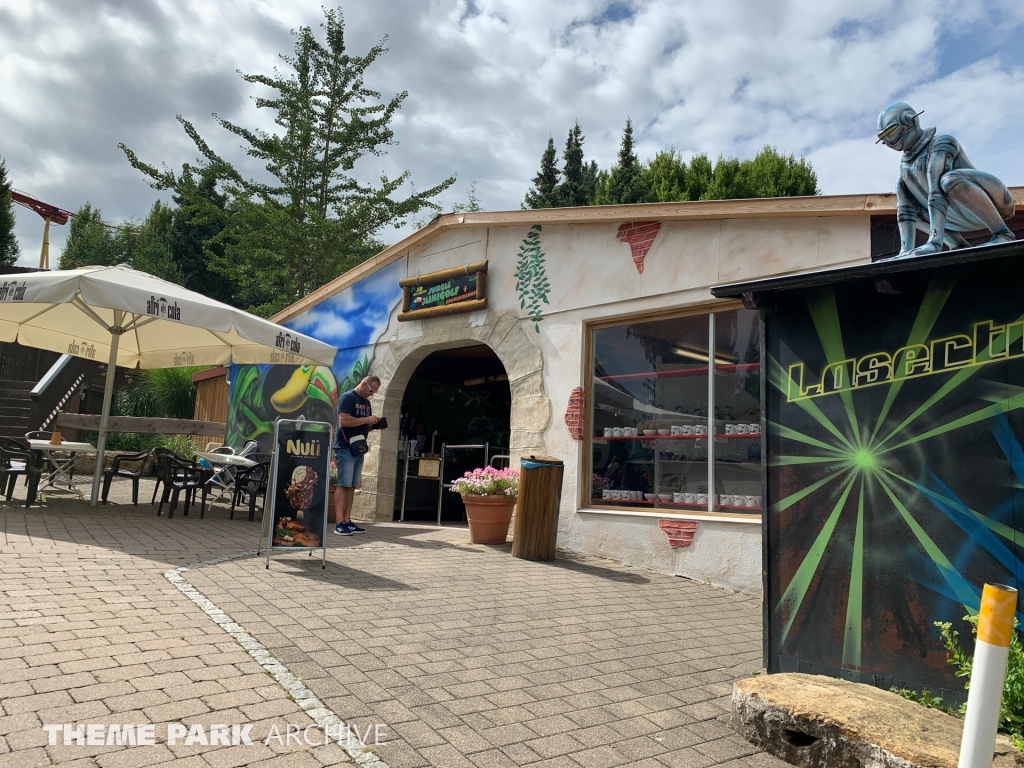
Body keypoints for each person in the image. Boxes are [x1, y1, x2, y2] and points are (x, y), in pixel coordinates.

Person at [876, 102, 1015, 258]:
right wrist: (905, 252)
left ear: (911, 120)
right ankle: (957, 244)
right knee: (907, 200)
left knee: (949, 180)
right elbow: (905, 210)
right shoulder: (905, 168)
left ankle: (1002, 233)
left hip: (996, 202)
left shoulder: (942, 143)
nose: (888, 140)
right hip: (959, 214)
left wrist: (935, 242)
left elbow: (936, 192)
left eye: (891, 131)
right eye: (883, 137)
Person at [333, 375, 380, 535]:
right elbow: (344, 421)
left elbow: (363, 426)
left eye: (374, 393)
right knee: (343, 484)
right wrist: (367, 418)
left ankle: (347, 520)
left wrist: (374, 425)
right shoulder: (347, 397)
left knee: (352, 486)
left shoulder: (366, 403)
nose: (371, 394)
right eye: (371, 391)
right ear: (364, 384)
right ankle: (339, 522)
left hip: (358, 447)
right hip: (345, 446)